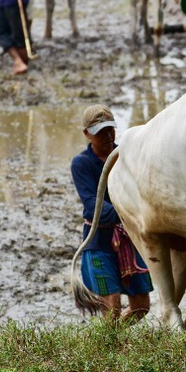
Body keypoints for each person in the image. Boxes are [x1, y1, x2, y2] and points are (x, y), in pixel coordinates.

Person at [71, 104, 153, 321]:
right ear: (87, 134)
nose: (108, 136)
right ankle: (110, 348)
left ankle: (114, 339)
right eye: (100, 133)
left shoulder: (127, 156)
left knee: (142, 307)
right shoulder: (81, 164)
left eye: (110, 129)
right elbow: (93, 207)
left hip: (129, 239)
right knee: (112, 305)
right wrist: (131, 207)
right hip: (99, 242)